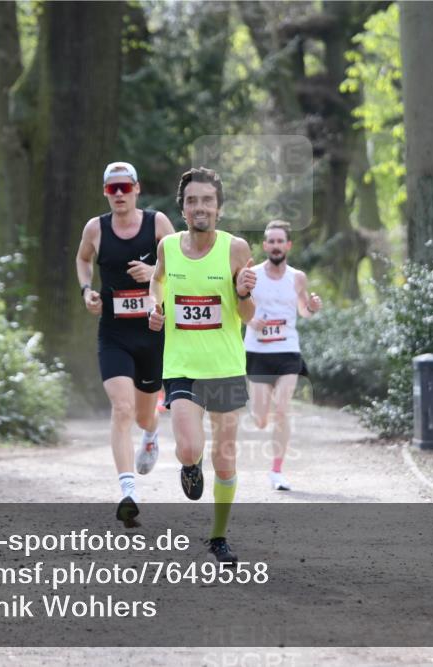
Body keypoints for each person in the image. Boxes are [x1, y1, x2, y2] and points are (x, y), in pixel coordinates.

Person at [148, 167, 255, 564]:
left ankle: (218, 536)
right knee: (189, 447)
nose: (200, 207)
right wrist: (154, 307)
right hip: (182, 366)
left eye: (207, 200)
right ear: (183, 207)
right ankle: (189, 467)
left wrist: (242, 292)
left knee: (225, 458)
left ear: (219, 208)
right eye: (192, 200)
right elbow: (157, 283)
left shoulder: (236, 249)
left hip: (225, 366)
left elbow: (247, 314)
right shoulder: (168, 248)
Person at [76, 161, 175, 526]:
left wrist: (155, 273)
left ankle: (151, 434)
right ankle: (128, 492)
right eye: (111, 189)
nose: (118, 194)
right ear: (106, 193)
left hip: (152, 331)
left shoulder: (157, 223)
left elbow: (180, 266)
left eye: (124, 187)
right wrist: (87, 291)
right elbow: (83, 260)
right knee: (121, 409)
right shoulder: (96, 228)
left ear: (137, 188)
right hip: (114, 333)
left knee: (144, 414)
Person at [244, 220, 322, 491]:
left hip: (288, 350)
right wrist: (251, 322)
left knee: (282, 409)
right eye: (271, 241)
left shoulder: (297, 277)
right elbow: (238, 308)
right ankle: (258, 410)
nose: (276, 246)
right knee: (261, 418)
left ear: (288, 245)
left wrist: (312, 307)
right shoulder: (251, 274)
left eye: (280, 241)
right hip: (258, 351)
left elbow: (303, 310)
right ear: (265, 245)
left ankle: (277, 470)